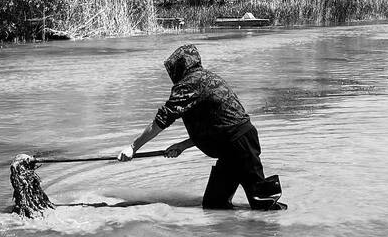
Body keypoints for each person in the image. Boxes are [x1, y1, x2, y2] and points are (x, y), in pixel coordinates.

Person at [118, 43, 286, 211]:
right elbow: (215, 126)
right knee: (214, 205)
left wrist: (133, 147)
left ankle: (282, 223)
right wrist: (182, 146)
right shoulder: (208, 78)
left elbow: (162, 120)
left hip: (239, 146)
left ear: (180, 66)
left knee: (264, 206)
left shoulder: (189, 84)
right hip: (232, 145)